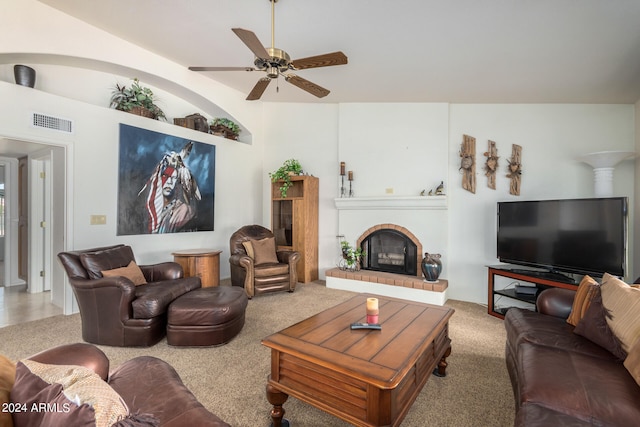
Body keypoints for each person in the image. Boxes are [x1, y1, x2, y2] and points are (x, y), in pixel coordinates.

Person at [138, 141, 201, 233]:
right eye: (166, 177)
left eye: (174, 178)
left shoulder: (183, 211)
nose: (170, 182)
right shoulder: (148, 208)